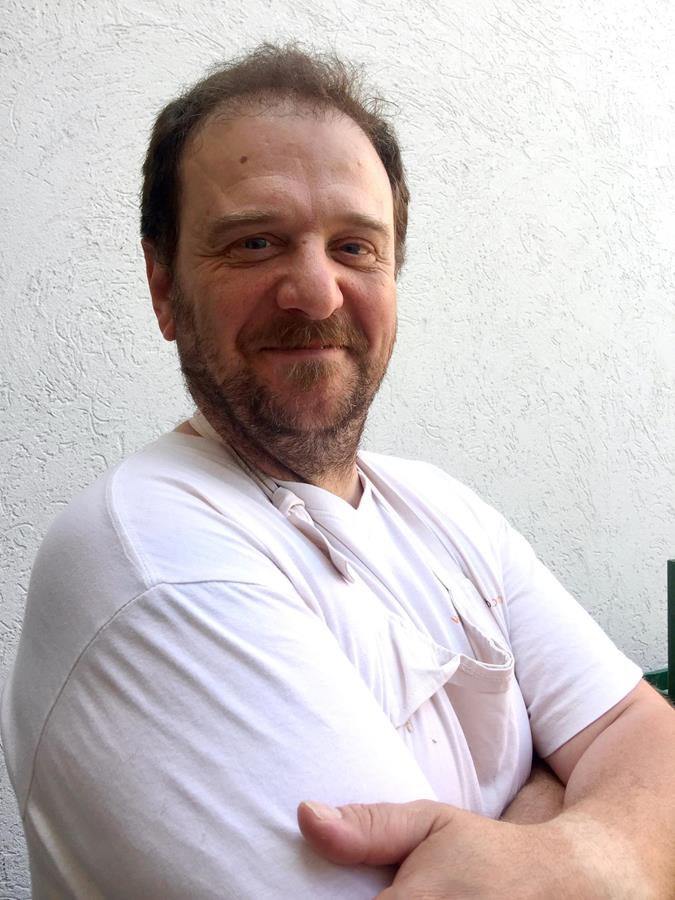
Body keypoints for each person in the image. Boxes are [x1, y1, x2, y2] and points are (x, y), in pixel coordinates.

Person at [2, 43, 674, 899]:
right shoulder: (151, 559)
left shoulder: (443, 508)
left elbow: (644, 737)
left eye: (354, 246)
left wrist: (578, 858)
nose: (316, 293)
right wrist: (561, 787)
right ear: (164, 288)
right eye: (255, 243)